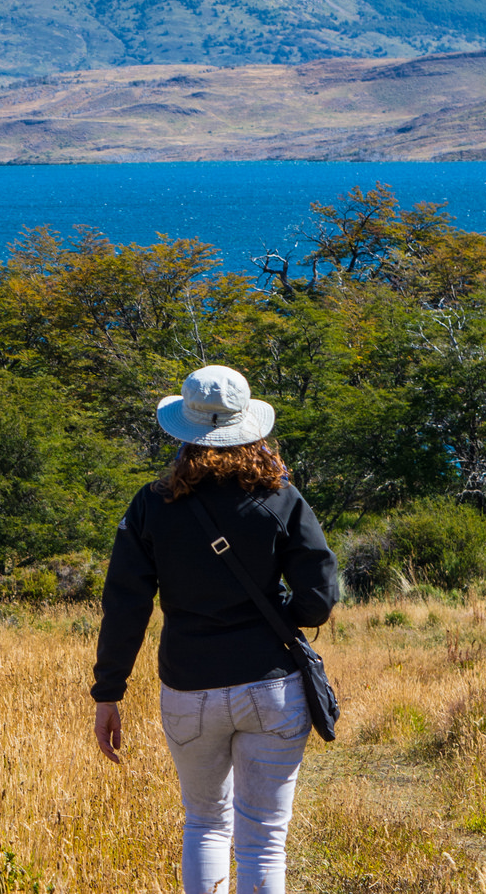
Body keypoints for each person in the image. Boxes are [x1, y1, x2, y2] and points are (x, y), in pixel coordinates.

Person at [90, 365, 339, 894]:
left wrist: (108, 691)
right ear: (251, 427)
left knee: (204, 824)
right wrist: (276, 619)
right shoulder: (281, 499)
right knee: (265, 839)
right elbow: (318, 599)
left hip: (188, 687)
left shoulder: (151, 505)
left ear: (184, 429)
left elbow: (125, 606)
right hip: (271, 684)